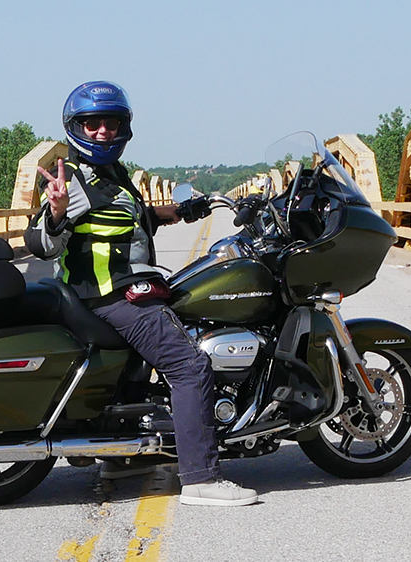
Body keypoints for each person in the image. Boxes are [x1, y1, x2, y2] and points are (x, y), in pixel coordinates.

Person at [24, 81, 258, 507]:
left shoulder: (112, 176)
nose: (102, 132)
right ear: (75, 127)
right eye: (92, 124)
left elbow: (132, 217)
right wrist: (55, 212)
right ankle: (202, 478)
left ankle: (122, 457)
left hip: (122, 289)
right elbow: (42, 242)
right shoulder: (71, 179)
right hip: (111, 294)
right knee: (190, 365)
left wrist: (183, 211)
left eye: (110, 124)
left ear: (123, 128)